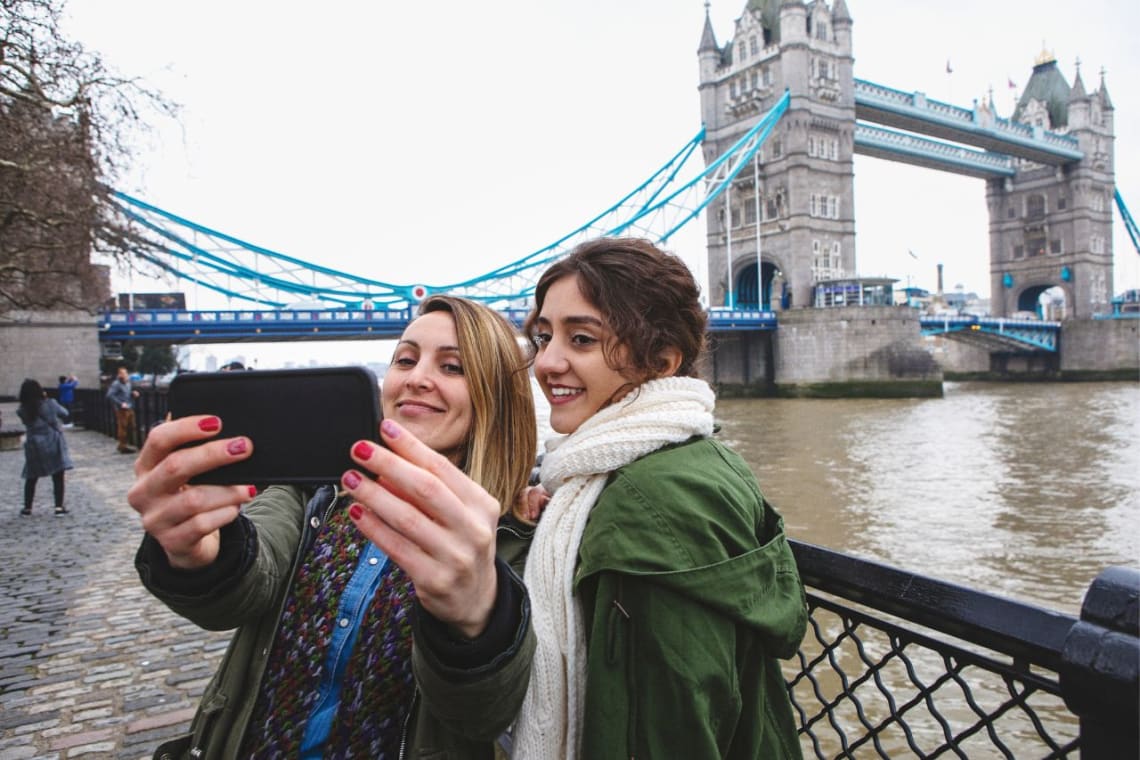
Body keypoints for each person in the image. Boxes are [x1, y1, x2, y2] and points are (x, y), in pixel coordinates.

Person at [129, 295, 538, 758]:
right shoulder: (316, 491)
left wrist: (476, 616)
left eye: (453, 368)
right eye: (405, 359)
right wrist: (199, 551)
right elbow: (242, 588)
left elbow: (482, 713)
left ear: (498, 398)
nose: (416, 378)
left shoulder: (523, 537)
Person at [512, 237, 808, 759]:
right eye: (543, 337)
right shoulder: (683, 458)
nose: (546, 363)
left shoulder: (650, 498)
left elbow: (671, 730)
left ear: (661, 360)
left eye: (581, 339)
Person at [17, 379, 73, 516]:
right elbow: (65, 413)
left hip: (33, 443)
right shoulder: (50, 404)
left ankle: (27, 507)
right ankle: (58, 507)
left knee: (31, 476)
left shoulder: (22, 410)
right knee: (58, 474)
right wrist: (47, 399)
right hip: (52, 440)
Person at [106, 366, 139, 453]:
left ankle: (124, 444)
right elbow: (109, 395)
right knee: (123, 427)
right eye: (122, 373)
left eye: (125, 373)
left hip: (130, 406)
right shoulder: (116, 384)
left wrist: (133, 393)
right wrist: (120, 403)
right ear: (119, 374)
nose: (124, 375)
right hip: (121, 409)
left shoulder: (128, 383)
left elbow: (127, 393)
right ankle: (123, 446)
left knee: (132, 425)